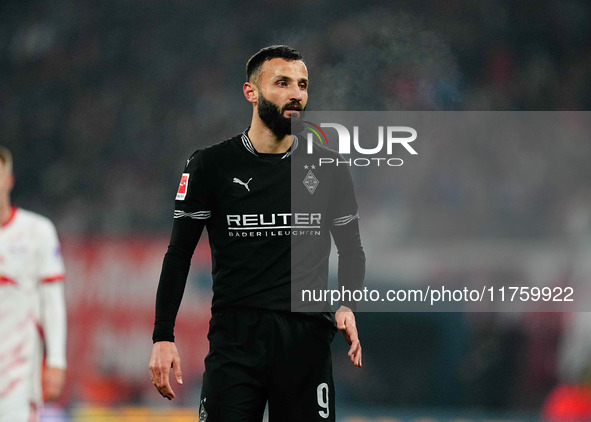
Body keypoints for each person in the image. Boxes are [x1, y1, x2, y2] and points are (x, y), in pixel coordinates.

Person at [149, 45, 365, 421]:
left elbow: (351, 248)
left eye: (302, 84)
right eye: (282, 83)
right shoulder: (210, 165)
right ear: (252, 92)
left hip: (306, 339)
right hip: (236, 341)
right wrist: (162, 337)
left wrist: (347, 304)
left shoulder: (328, 166)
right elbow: (179, 254)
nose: (296, 93)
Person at [0, 146, 67, 422]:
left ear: (8, 180)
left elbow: (52, 301)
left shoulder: (37, 232)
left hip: (17, 373)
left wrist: (56, 362)